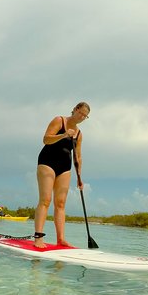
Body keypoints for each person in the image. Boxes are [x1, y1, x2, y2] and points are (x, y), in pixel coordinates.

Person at [34, 102, 90, 248]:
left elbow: (78, 156)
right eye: (81, 113)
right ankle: (38, 237)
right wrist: (64, 135)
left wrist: (79, 177)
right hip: (47, 162)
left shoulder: (79, 134)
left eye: (85, 116)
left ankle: (61, 239)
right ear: (76, 109)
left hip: (65, 166)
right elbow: (46, 139)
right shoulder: (59, 120)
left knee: (60, 204)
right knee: (45, 200)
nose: (82, 117)